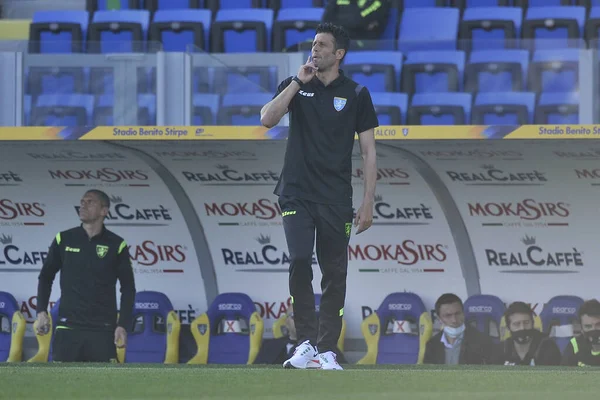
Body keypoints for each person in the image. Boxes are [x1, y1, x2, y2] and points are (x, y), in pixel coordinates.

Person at [260, 22, 378, 370]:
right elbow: (267, 119)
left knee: (334, 272)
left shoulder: (357, 94)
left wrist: (368, 200)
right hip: (296, 192)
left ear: (338, 53)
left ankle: (327, 349)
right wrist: (298, 81)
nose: (315, 50)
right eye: (313, 44)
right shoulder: (296, 85)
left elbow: (369, 152)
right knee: (298, 260)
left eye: (323, 45)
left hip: (336, 198)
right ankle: (305, 342)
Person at [35, 189, 136, 362]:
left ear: (104, 211)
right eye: (82, 202)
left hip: (103, 329)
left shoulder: (117, 244)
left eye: (90, 202)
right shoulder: (64, 239)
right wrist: (41, 311)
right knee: (61, 385)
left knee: (103, 386)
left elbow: (128, 288)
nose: (83, 205)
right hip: (68, 327)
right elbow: (46, 276)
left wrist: (122, 325)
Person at [424, 293, 501, 365]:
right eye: (448, 316)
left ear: (463, 313)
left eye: (457, 314)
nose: (454, 320)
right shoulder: (432, 345)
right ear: (439, 319)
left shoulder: (483, 341)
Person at [501, 302, 561, 366]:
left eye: (526, 323)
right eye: (517, 324)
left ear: (533, 323)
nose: (522, 328)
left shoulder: (548, 346)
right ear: (508, 327)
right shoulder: (502, 349)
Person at [561, 299, 600, 367]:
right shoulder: (574, 345)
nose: (594, 330)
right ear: (582, 328)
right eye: (588, 326)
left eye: (598, 325)